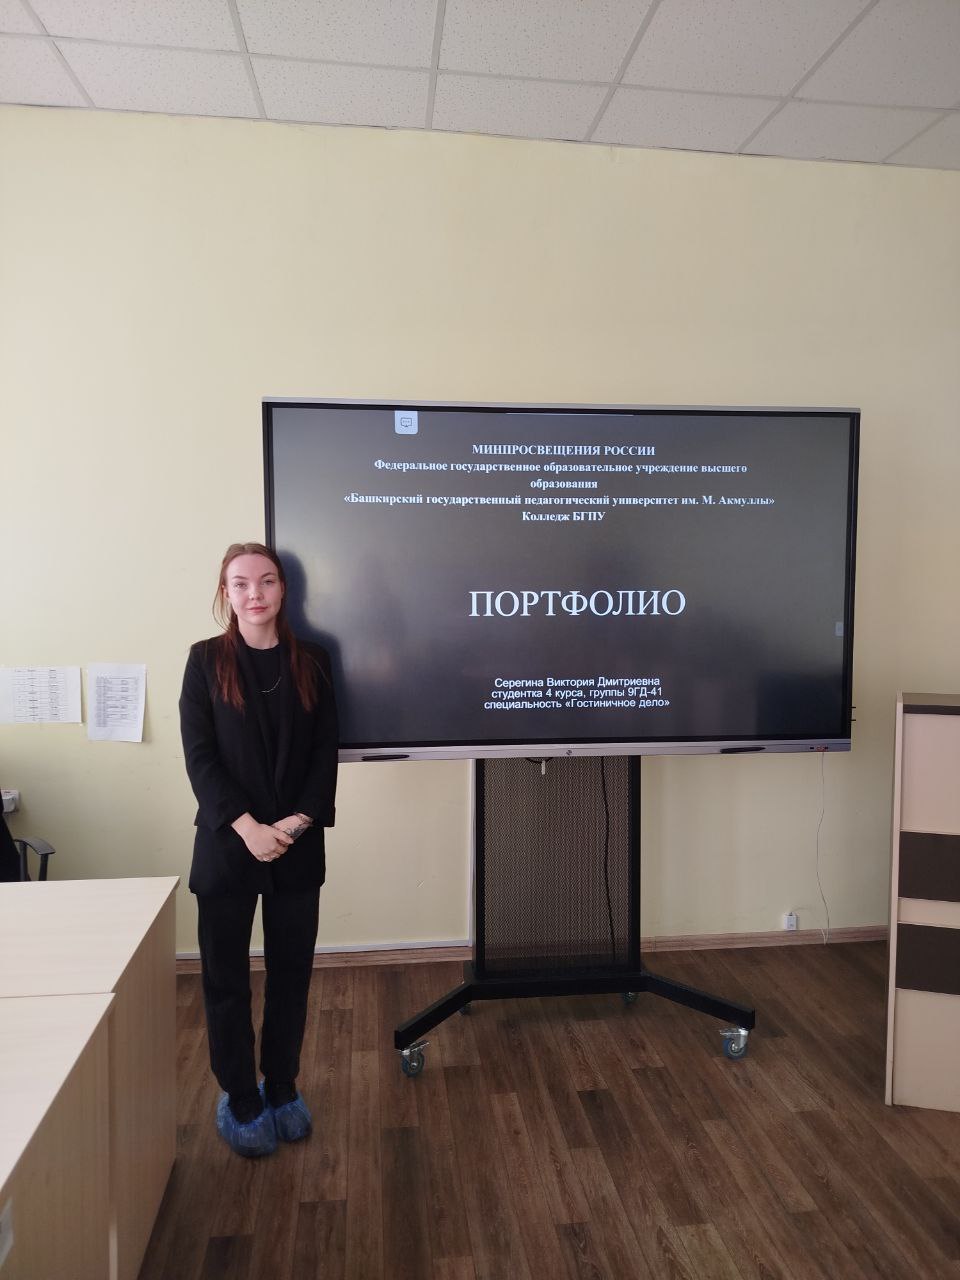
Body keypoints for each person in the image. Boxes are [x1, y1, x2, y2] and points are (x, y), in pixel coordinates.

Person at [179, 542, 338, 1157]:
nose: (255, 593)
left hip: (297, 845)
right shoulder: (204, 660)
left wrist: (294, 824)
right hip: (228, 845)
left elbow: (324, 751)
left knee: (291, 974)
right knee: (225, 980)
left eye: (267, 581)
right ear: (226, 592)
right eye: (241, 583)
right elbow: (201, 759)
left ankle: (282, 1087)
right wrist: (248, 828)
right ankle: (241, 1097)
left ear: (282, 589)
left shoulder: (313, 660)